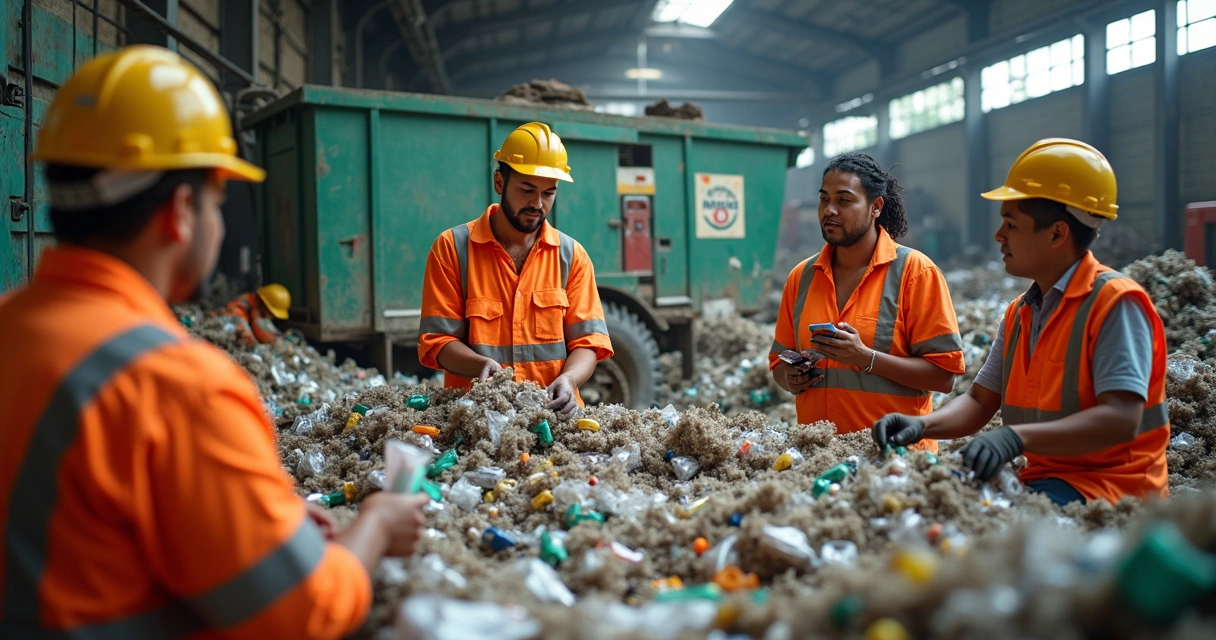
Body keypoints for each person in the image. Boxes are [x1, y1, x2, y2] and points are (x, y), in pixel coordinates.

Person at [0, 46, 428, 639]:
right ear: (181, 211)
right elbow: (306, 614)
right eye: (219, 202)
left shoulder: (14, 325)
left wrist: (256, 523)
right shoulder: (179, 386)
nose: (219, 223)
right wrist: (377, 524)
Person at [871, 138, 1168, 506]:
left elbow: (1120, 420)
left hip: (1114, 493)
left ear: (1057, 233)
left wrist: (1015, 438)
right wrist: (920, 425)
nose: (999, 236)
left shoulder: (1114, 304)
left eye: (1011, 224)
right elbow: (980, 402)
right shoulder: (1020, 314)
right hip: (1046, 479)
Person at [770, 153, 966, 452]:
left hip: (895, 461)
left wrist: (866, 358)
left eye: (844, 200)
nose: (830, 210)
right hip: (821, 460)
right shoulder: (802, 277)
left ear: (876, 207)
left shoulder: (915, 273)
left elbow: (944, 377)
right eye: (824, 199)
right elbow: (779, 365)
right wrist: (792, 378)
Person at [418, 122, 613, 415]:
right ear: (500, 182)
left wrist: (569, 380)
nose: (537, 203)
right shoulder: (452, 248)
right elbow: (437, 342)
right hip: (477, 419)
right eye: (526, 189)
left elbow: (588, 343)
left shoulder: (571, 256)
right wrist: (480, 365)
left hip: (552, 418)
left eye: (549, 193)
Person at [224, 283, 291, 345]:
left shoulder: (254, 305)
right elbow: (247, 341)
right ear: (261, 303)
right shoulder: (236, 312)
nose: (268, 319)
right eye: (265, 315)